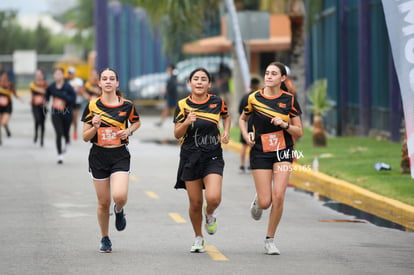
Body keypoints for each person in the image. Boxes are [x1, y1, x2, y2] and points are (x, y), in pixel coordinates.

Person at [239, 62, 303, 255]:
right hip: (260, 151)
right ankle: (259, 201)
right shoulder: (254, 98)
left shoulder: (289, 100)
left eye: (274, 73)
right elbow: (243, 119)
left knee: (279, 196)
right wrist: (246, 134)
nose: (269, 76)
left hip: (283, 150)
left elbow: (299, 131)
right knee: (266, 201)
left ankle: (270, 240)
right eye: (267, 73)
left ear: (282, 78)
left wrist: (285, 125)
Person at [81, 68, 140, 253]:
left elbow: (137, 122)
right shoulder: (92, 106)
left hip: (120, 154)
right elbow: (85, 136)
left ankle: (120, 209)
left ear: (117, 83)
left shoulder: (127, 105)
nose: (108, 81)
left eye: (111, 79)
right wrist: (95, 127)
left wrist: (129, 131)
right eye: (104, 79)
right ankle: (105, 238)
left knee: (120, 196)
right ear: (99, 83)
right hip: (99, 156)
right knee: (103, 203)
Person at [174, 67, 231, 253]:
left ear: (209, 84)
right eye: (195, 79)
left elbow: (226, 116)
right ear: (189, 83)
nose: (199, 82)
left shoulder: (217, 102)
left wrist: (226, 131)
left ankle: (210, 213)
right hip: (190, 156)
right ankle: (198, 237)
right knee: (195, 202)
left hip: (212, 154)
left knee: (213, 198)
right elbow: (176, 134)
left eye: (203, 79)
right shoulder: (182, 105)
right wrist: (186, 122)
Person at [45, 67, 76, 164]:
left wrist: (62, 95)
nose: (58, 75)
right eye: (56, 74)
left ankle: (66, 139)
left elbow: (73, 99)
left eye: (59, 73)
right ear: (54, 75)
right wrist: (46, 102)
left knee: (65, 132)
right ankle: (60, 155)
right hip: (56, 112)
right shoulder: (51, 86)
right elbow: (47, 95)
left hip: (67, 112)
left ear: (63, 75)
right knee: (58, 133)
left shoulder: (68, 87)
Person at [238, 77, 261, 173]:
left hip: (245, 122)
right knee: (253, 145)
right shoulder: (258, 96)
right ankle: (251, 164)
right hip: (254, 124)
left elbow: (239, 110)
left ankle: (242, 165)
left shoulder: (245, 97)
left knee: (244, 145)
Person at [0, 70, 21, 144]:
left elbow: (15, 93)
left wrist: (20, 98)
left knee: (3, 122)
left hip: (7, 106)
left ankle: (6, 128)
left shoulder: (10, 85)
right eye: (2, 76)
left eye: (6, 76)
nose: (4, 78)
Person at [30, 68, 48, 147]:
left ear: (42, 75)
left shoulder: (45, 84)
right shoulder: (32, 84)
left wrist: (46, 102)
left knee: (43, 122)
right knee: (37, 120)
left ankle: (42, 139)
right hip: (35, 105)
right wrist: (31, 99)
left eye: (39, 75)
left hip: (43, 106)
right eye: (37, 75)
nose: (38, 76)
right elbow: (32, 93)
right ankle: (36, 134)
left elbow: (47, 94)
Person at [67, 66, 85, 140]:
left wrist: (74, 92)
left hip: (77, 102)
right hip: (68, 102)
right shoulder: (67, 82)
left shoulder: (79, 81)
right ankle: (67, 132)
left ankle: (75, 131)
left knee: (75, 118)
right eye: (69, 73)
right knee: (69, 119)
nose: (70, 75)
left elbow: (81, 91)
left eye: (72, 73)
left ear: (74, 73)